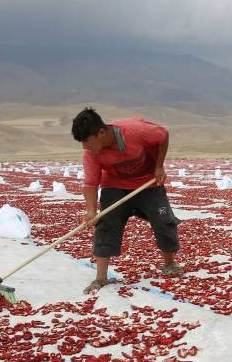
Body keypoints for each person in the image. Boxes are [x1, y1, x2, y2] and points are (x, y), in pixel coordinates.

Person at [72, 107, 182, 293]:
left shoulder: (136, 131)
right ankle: (100, 278)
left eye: (87, 141)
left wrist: (159, 166)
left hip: (148, 184)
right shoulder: (91, 153)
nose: (85, 146)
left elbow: (163, 136)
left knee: (164, 221)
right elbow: (90, 182)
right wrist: (91, 211)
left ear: (101, 132)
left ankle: (169, 264)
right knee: (106, 224)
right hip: (115, 186)